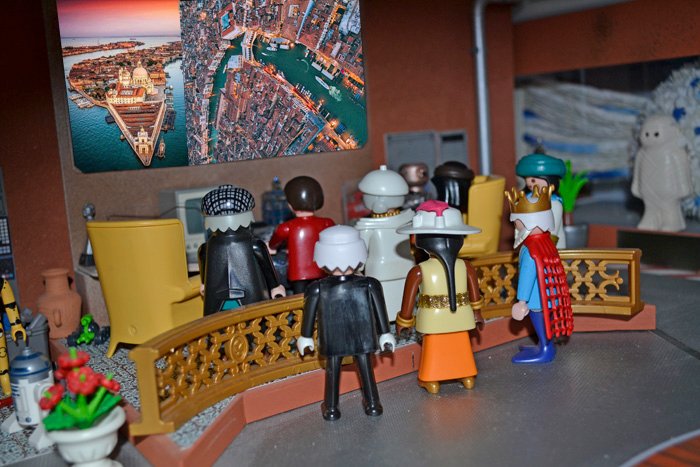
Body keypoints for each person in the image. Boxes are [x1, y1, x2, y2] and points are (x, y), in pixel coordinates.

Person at [297, 225, 395, 421]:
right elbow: (380, 312)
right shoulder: (370, 284)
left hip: (334, 338)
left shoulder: (317, 288)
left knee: (333, 372)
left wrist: (305, 336)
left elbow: (309, 315)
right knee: (365, 369)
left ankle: (332, 408)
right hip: (362, 337)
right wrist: (385, 332)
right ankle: (373, 405)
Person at [395, 200, 483, 394]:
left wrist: (404, 321)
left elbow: (407, 303)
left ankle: (432, 379)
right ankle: (466, 376)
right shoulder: (466, 266)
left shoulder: (419, 271)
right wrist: (477, 313)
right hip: (461, 315)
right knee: (459, 344)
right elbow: (475, 295)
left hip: (433, 317)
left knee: (436, 346)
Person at [505, 185, 574, 364]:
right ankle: (543, 345)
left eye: (517, 221)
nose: (515, 225)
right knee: (546, 322)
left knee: (540, 323)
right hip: (551, 294)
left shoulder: (530, 249)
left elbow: (527, 277)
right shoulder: (546, 243)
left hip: (537, 300)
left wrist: (521, 301)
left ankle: (545, 348)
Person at [198, 185, 285, 315]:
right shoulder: (255, 245)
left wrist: (204, 284)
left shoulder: (206, 248)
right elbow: (267, 269)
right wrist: (275, 287)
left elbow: (203, 272)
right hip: (251, 300)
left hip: (216, 303)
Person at [355, 166, 414, 315]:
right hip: (407, 267)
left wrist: (357, 269)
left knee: (384, 306)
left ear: (377, 200)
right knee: (405, 300)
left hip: (379, 272)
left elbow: (360, 255)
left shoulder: (367, 226)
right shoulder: (408, 219)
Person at [268, 176, 334, 294]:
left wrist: (272, 247)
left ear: (290, 204)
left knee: (300, 298)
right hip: (323, 270)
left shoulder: (287, 227)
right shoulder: (327, 223)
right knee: (323, 294)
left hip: (298, 273)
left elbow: (275, 240)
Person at [515, 153, 567, 248]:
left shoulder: (554, 204)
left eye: (533, 180)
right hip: (528, 244)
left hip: (550, 248)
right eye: (527, 180)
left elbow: (552, 232)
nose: (529, 183)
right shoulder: (527, 200)